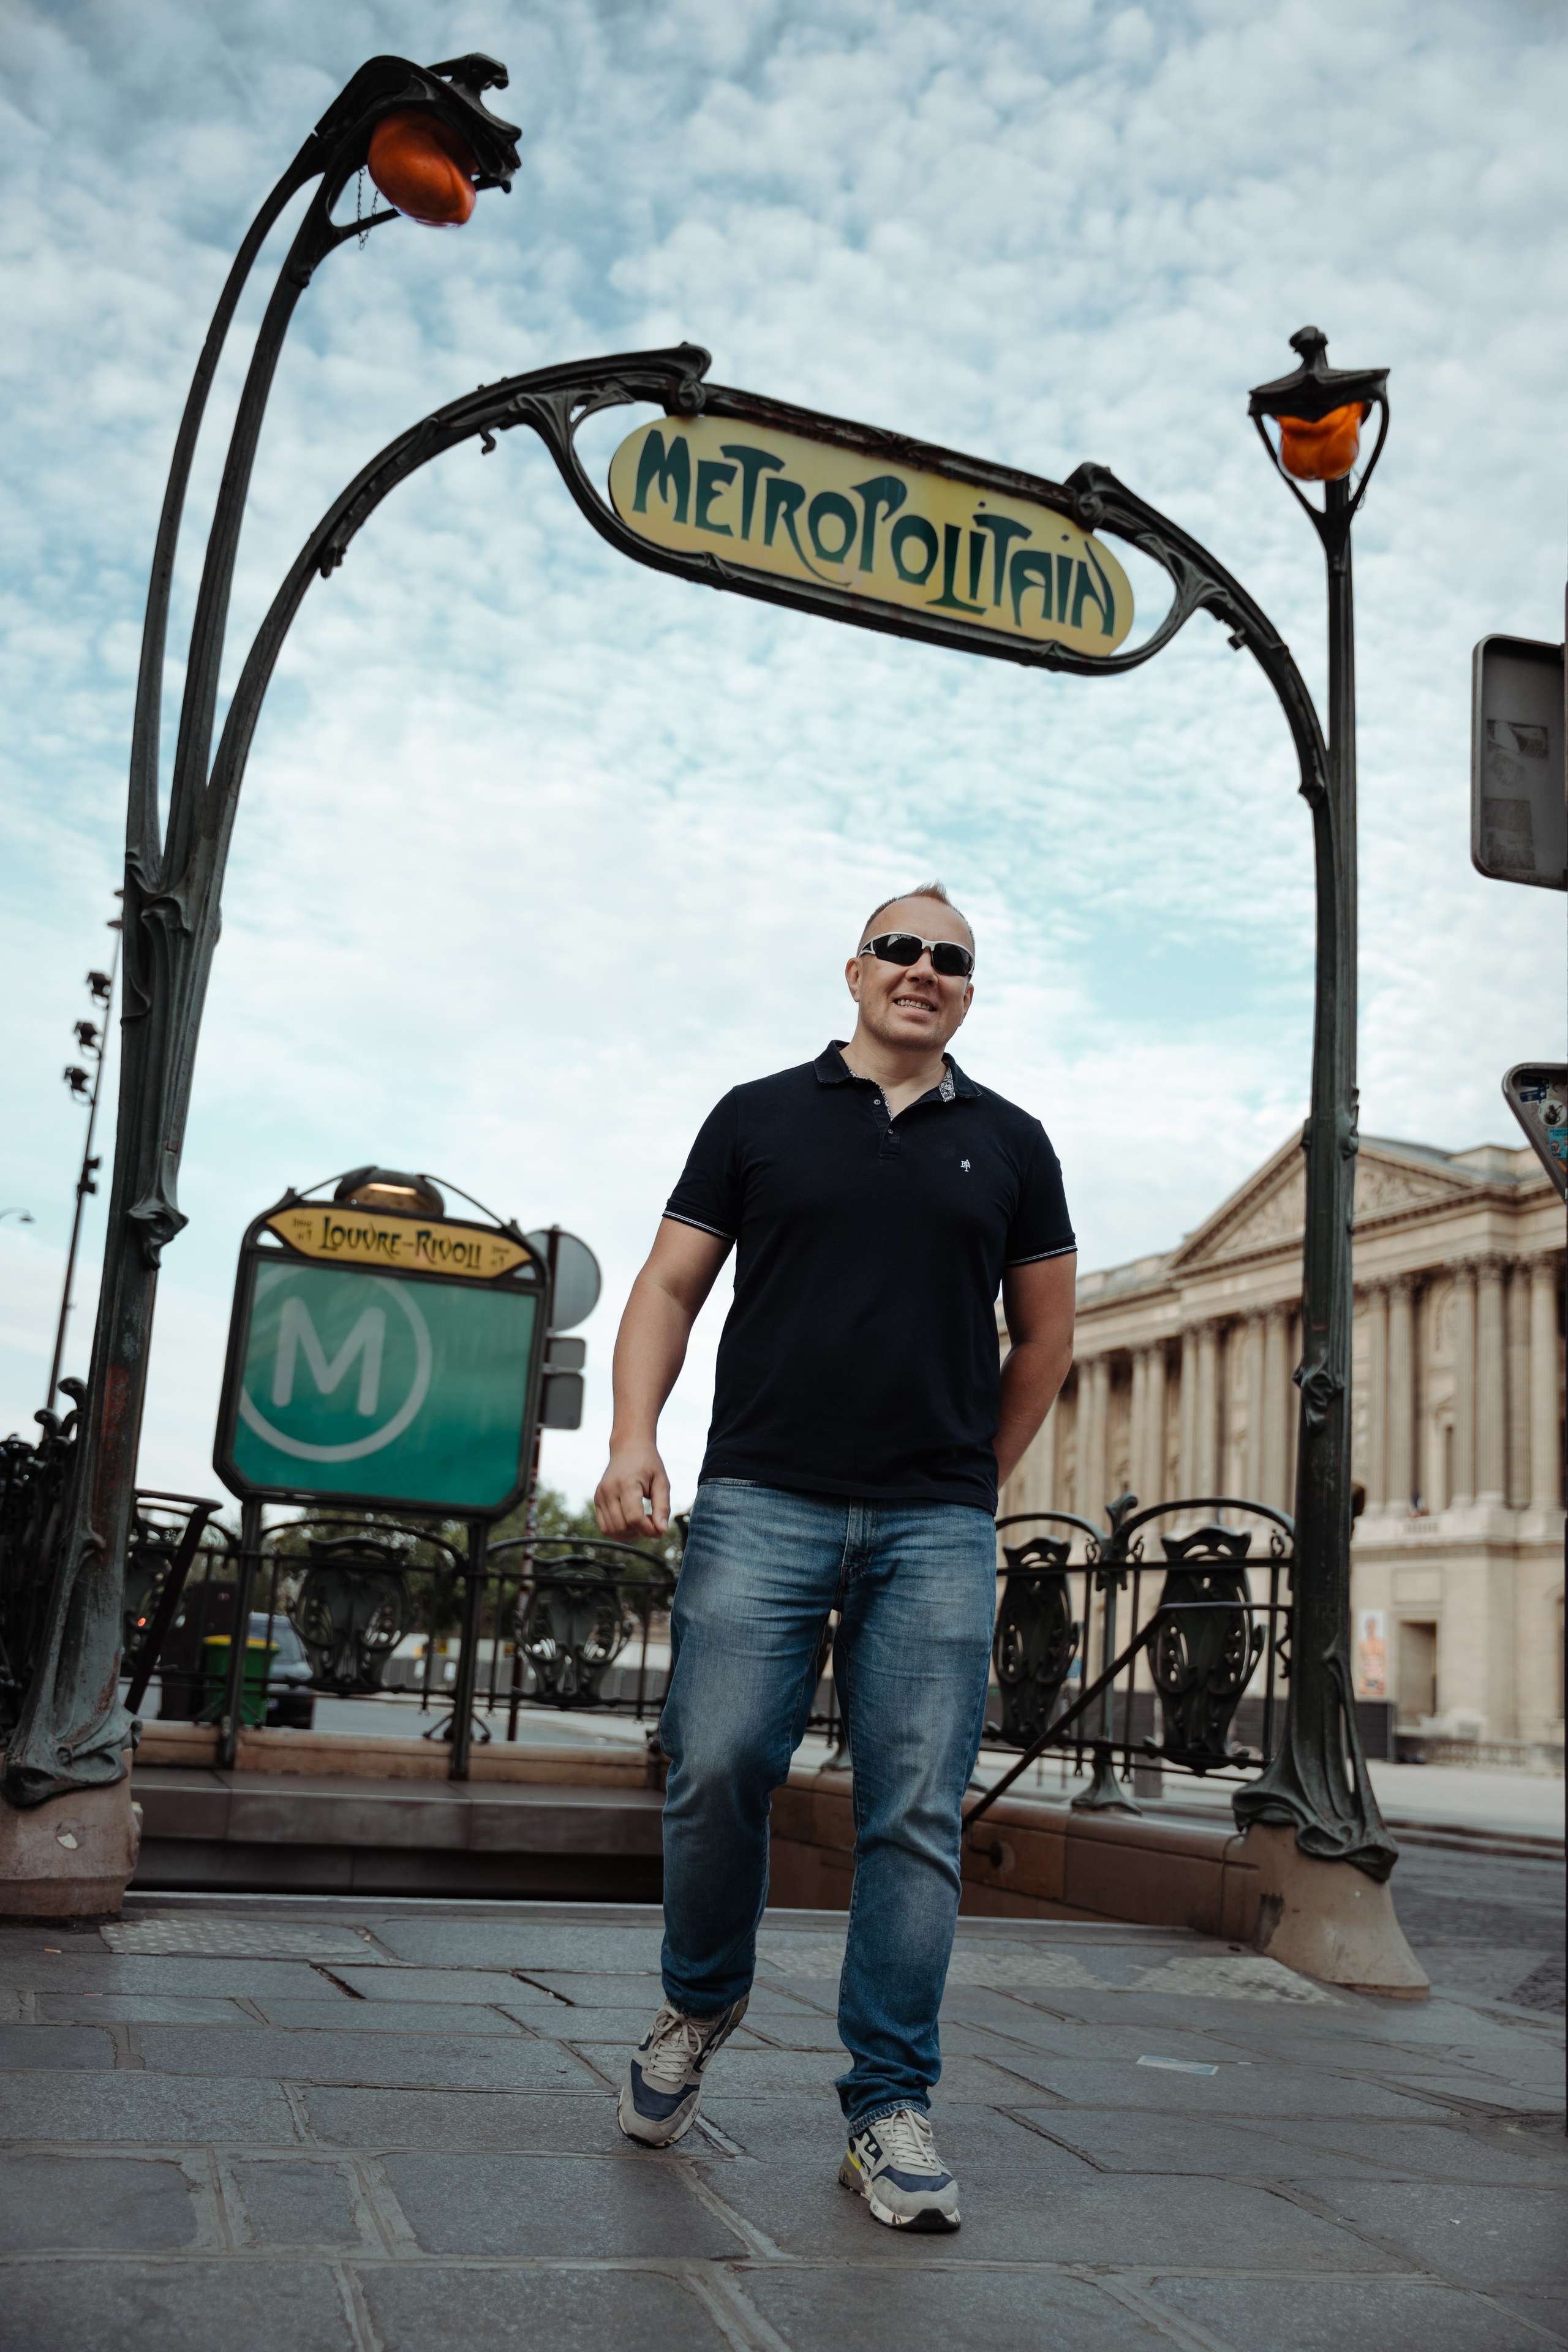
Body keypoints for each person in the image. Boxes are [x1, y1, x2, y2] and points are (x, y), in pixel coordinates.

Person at [594, 882, 1076, 2231]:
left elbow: (1041, 1336)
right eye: (901, 950)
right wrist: (634, 1433)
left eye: (953, 961)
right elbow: (668, 1284)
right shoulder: (756, 1114)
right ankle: (699, 2001)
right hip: (761, 1501)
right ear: (855, 971)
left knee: (912, 1814)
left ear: (968, 994)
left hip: (932, 1524)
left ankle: (886, 2107)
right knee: (715, 1765)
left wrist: (975, 1484)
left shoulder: (1014, 1142)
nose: (924, 972)